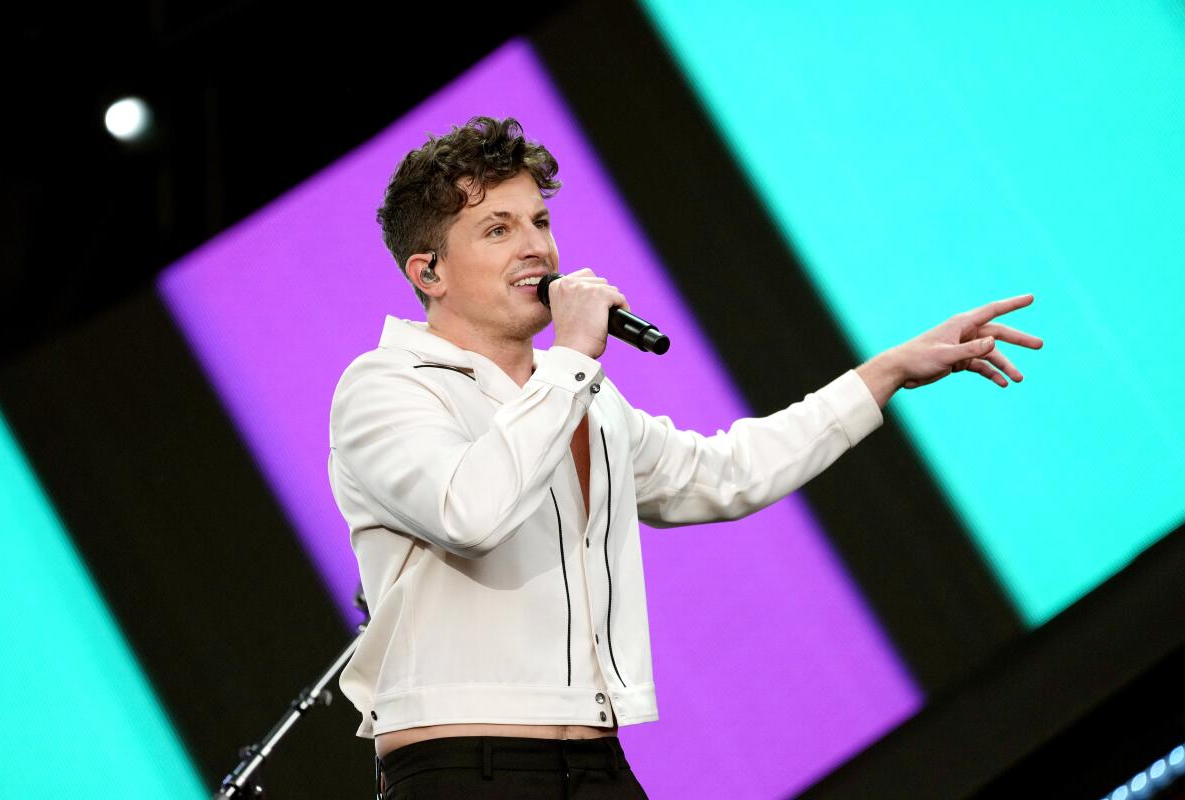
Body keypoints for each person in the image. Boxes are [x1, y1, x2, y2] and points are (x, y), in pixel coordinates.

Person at [327, 116, 1042, 799]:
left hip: (597, 759)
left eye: (540, 222)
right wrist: (572, 358)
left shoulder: (585, 401)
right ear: (429, 273)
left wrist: (884, 373)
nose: (536, 248)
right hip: (460, 769)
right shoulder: (386, 388)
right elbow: (469, 511)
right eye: (497, 228)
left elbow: (726, 473)